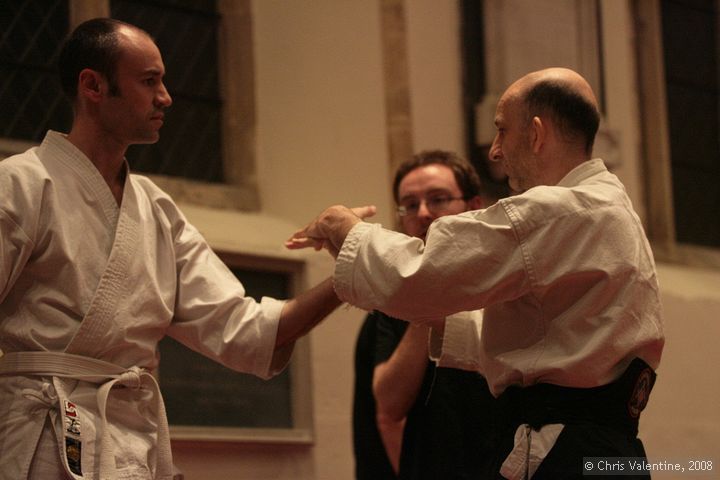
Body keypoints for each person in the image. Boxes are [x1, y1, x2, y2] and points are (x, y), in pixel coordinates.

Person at [0, 18, 373, 480]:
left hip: (132, 442)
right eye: (149, 81)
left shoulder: (156, 210)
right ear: (93, 86)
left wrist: (352, 270)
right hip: (36, 440)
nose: (166, 97)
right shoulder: (19, 185)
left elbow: (243, 328)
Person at [288, 67, 665, 479]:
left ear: (537, 134)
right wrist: (434, 315)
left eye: (502, 131)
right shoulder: (609, 206)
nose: (495, 151)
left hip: (563, 452)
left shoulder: (557, 209)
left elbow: (419, 274)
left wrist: (343, 226)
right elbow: (542, 337)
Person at [353, 150, 500, 479]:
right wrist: (426, 295)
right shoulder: (388, 306)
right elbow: (389, 411)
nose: (423, 213)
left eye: (438, 199)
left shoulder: (501, 288)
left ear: (474, 207)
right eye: (410, 204)